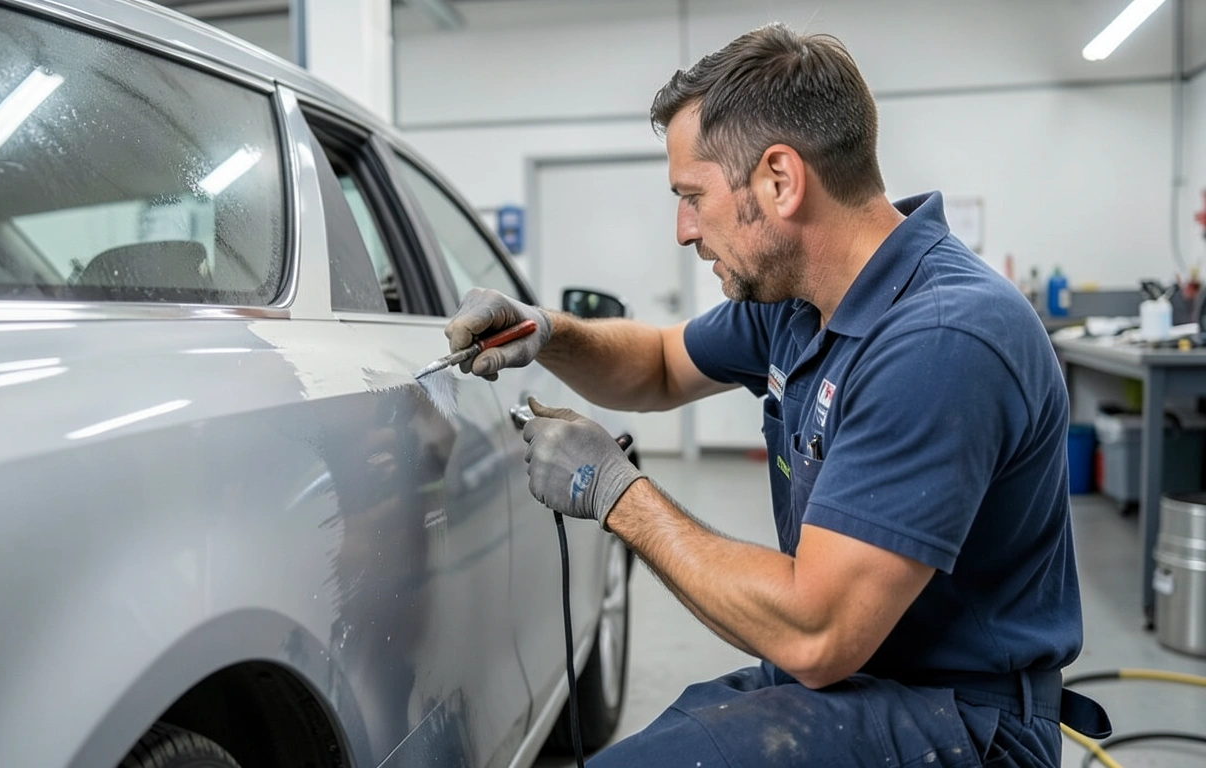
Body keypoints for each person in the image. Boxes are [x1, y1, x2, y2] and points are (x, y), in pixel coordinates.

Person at [444, 23, 1108, 768]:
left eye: (693, 196)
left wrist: (614, 492)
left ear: (781, 181)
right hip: (861, 681)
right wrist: (547, 329)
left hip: (961, 720)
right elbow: (661, 364)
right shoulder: (800, 302)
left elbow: (816, 633)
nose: (683, 231)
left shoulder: (942, 339)